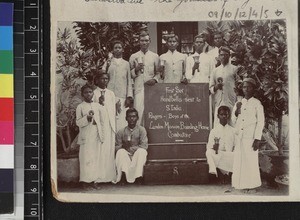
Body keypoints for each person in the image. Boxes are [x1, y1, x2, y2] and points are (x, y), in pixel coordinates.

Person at [231, 78, 265, 193]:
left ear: (253, 89)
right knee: (239, 160)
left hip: (250, 137)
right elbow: (233, 120)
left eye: (248, 87)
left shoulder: (257, 103)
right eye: (244, 87)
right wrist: (237, 111)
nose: (246, 89)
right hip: (240, 136)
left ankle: (252, 184)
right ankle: (240, 184)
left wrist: (257, 138)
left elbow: (260, 122)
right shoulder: (238, 103)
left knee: (250, 160)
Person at [76, 84, 105, 187]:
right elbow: (78, 122)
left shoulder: (97, 106)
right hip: (86, 135)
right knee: (85, 157)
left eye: (90, 92)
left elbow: (102, 121)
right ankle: (84, 181)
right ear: (82, 94)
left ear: (93, 93)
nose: (88, 94)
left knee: (95, 157)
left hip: (95, 134)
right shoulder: (80, 107)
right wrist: (87, 118)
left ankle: (95, 181)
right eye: (86, 92)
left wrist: (102, 134)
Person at [129, 31, 160, 125]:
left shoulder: (155, 56)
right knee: (138, 111)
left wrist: (155, 79)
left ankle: (150, 135)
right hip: (138, 88)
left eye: (146, 40)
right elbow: (129, 75)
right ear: (139, 42)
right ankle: (137, 134)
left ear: (150, 41)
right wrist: (136, 69)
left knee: (152, 112)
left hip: (151, 88)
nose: (144, 43)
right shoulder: (133, 56)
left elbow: (158, 73)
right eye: (142, 40)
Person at [102, 40, 133, 132]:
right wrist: (107, 63)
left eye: (120, 47)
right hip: (109, 94)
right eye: (115, 48)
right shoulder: (108, 62)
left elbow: (129, 80)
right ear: (112, 50)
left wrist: (129, 96)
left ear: (123, 50)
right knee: (110, 117)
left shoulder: (126, 64)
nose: (118, 49)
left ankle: (120, 140)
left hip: (122, 95)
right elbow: (102, 75)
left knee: (121, 119)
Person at [92, 72, 117, 183]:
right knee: (100, 150)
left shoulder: (111, 94)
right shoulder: (93, 93)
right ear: (97, 80)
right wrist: (99, 103)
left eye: (106, 79)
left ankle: (109, 177)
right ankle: (98, 177)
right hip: (100, 126)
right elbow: (92, 109)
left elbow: (113, 111)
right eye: (102, 79)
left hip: (110, 125)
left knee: (109, 150)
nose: (105, 81)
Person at [114, 108, 148, 184]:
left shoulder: (141, 130)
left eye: (134, 116)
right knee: (120, 152)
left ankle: (138, 177)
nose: (132, 119)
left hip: (137, 154)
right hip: (126, 155)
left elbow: (144, 146)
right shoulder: (121, 131)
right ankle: (123, 176)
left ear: (137, 118)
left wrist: (131, 148)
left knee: (142, 151)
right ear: (126, 118)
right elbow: (117, 147)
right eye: (129, 117)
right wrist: (123, 147)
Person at [209, 46, 238, 128]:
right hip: (219, 102)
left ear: (229, 56)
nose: (223, 57)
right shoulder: (215, 71)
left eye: (225, 55)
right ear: (218, 56)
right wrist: (216, 87)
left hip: (231, 101)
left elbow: (239, 86)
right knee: (218, 126)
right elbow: (210, 89)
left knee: (232, 124)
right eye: (221, 55)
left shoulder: (235, 69)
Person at [206, 105, 235, 184]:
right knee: (209, 152)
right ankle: (214, 172)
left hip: (230, 155)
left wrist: (234, 151)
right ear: (218, 116)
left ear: (228, 116)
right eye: (221, 114)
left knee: (237, 154)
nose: (224, 116)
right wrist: (214, 147)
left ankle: (228, 175)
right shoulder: (214, 131)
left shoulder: (233, 130)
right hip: (219, 154)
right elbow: (209, 147)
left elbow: (237, 145)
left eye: (226, 115)